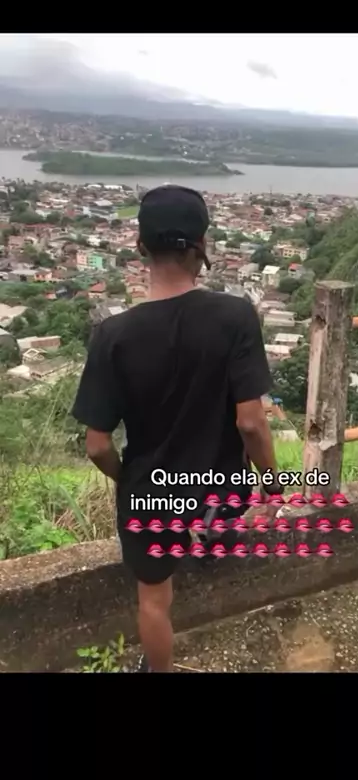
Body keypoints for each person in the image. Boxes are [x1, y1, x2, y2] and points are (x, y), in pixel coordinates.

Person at [71, 185, 283, 673]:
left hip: (150, 493)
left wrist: (129, 480)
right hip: (221, 489)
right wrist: (273, 487)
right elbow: (251, 423)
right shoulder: (235, 315)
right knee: (219, 510)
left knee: (153, 600)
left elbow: (97, 446)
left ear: (141, 246)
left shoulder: (113, 336)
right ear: (201, 245)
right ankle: (210, 536)